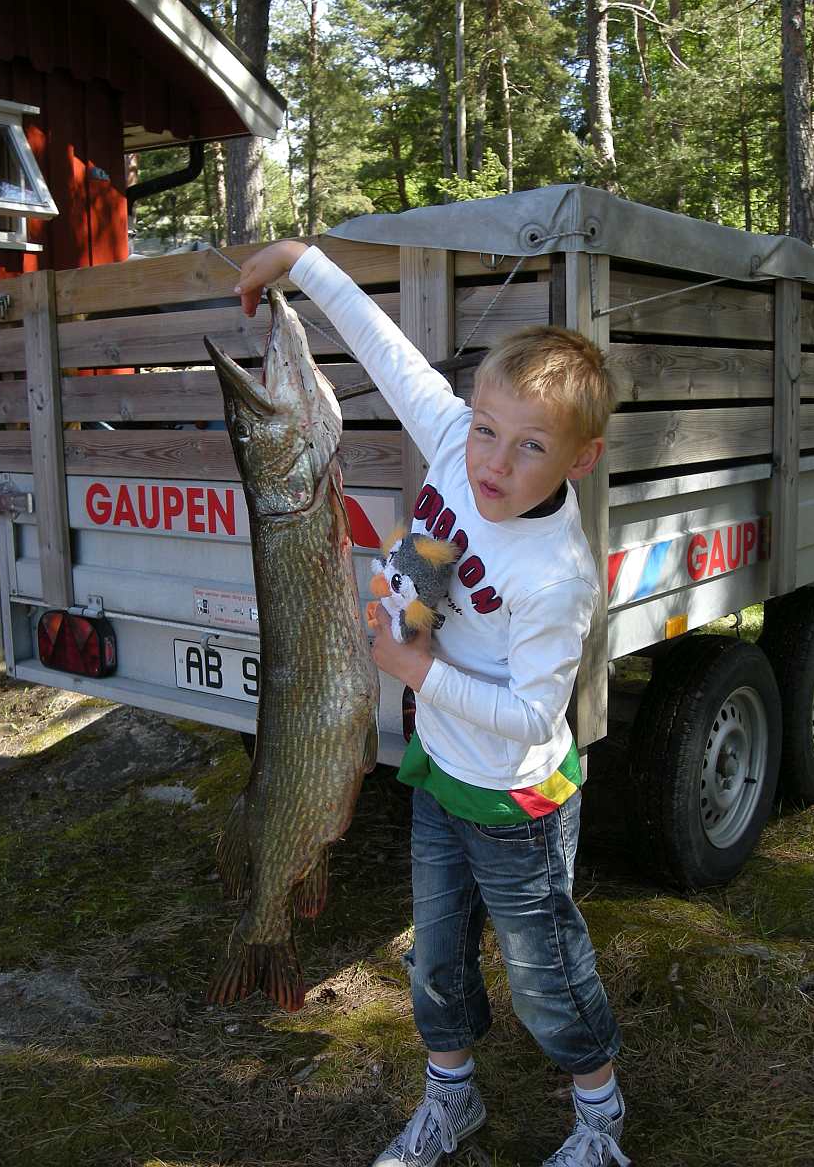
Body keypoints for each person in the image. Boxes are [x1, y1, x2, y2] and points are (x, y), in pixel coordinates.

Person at [234, 240, 628, 1167]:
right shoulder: (457, 443)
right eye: (488, 430)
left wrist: (418, 674)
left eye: (533, 447)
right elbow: (384, 349)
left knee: (544, 977)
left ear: (582, 459)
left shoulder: (558, 578)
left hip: (516, 806)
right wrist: (302, 261)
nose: (494, 462)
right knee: (434, 962)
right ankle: (453, 1100)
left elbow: (537, 720)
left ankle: (599, 1116)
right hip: (438, 778)